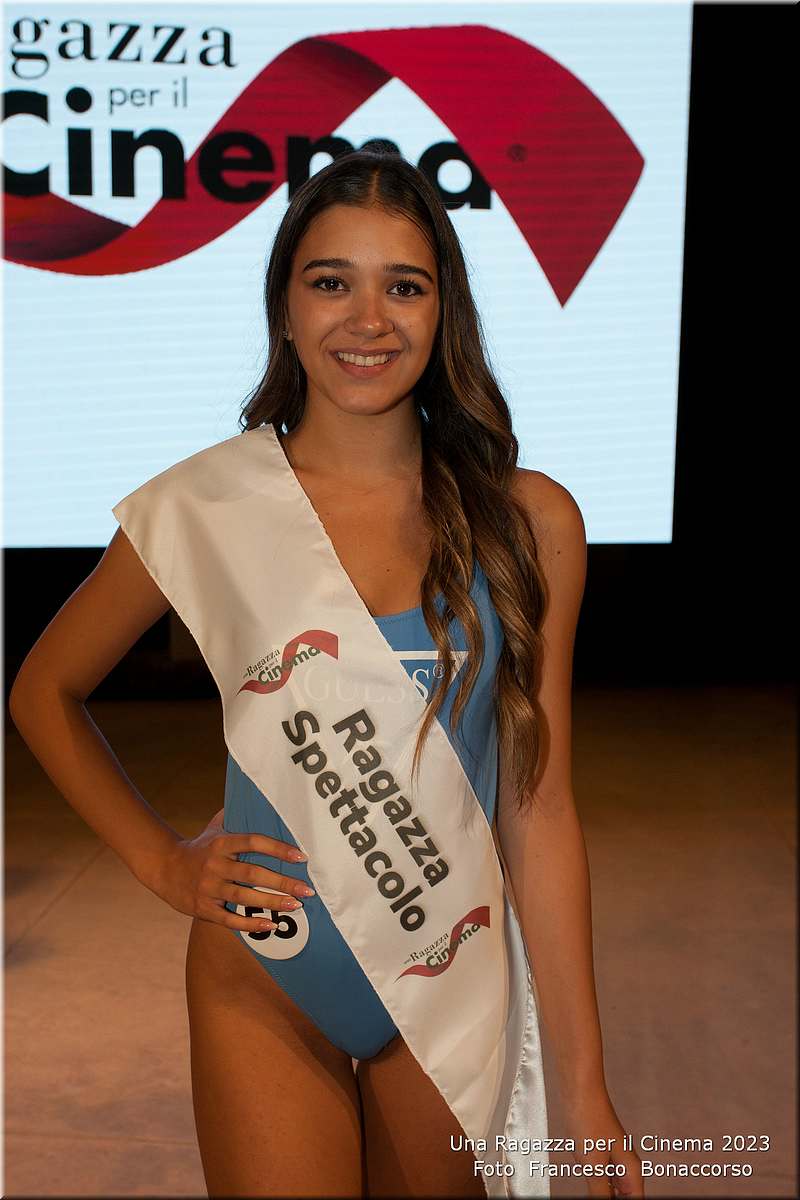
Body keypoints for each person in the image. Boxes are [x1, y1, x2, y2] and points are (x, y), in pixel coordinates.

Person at [9, 146, 643, 1199]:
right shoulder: (211, 506)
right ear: (287, 306)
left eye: (404, 286)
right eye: (331, 282)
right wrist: (164, 864)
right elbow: (43, 691)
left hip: (446, 965)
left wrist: (584, 1087)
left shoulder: (527, 522)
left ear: (444, 309)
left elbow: (539, 808)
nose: (368, 320)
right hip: (266, 968)